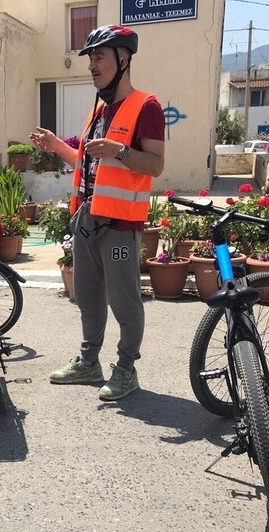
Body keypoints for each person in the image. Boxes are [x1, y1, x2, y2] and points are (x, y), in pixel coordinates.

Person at [29, 24, 165, 401]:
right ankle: (90, 363)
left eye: (99, 56)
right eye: (90, 58)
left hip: (121, 225)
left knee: (124, 300)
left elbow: (154, 165)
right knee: (87, 297)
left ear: (123, 60)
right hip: (89, 221)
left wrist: (120, 151)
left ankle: (126, 369)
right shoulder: (100, 111)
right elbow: (89, 166)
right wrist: (58, 146)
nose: (91, 65)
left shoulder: (146, 106)